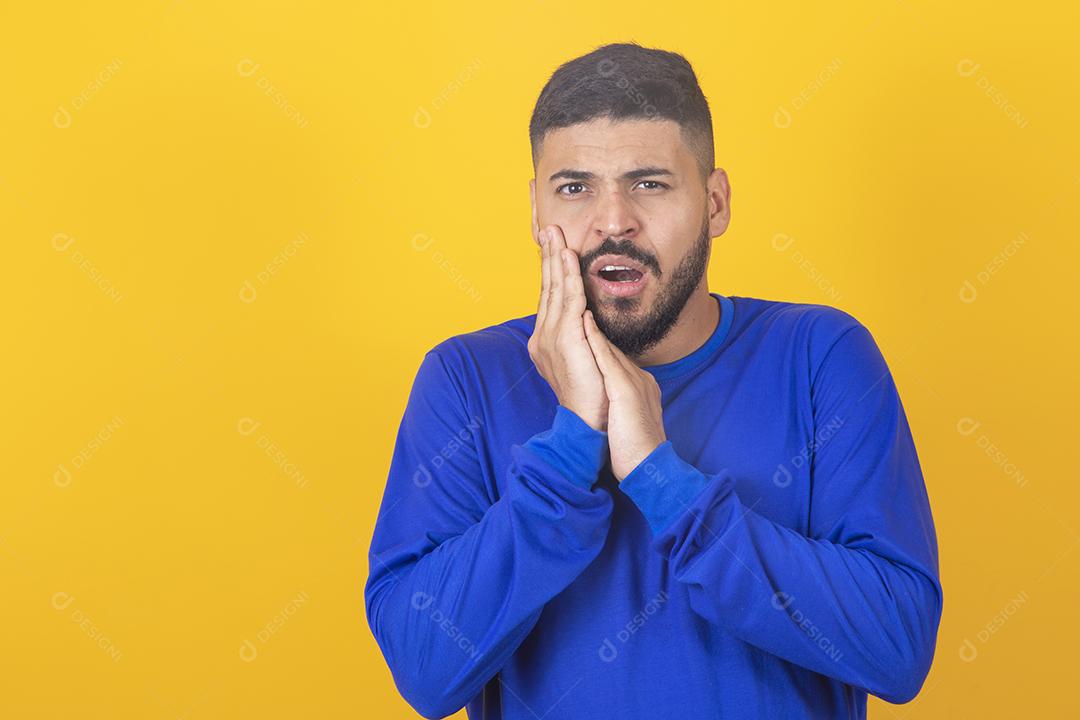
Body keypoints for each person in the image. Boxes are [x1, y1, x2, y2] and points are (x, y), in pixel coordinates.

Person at [364, 41, 942, 719]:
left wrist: (661, 479)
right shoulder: (465, 378)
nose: (613, 221)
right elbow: (425, 670)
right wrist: (571, 442)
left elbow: (897, 646)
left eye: (649, 183)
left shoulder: (821, 356)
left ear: (716, 202)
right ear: (535, 211)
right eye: (574, 188)